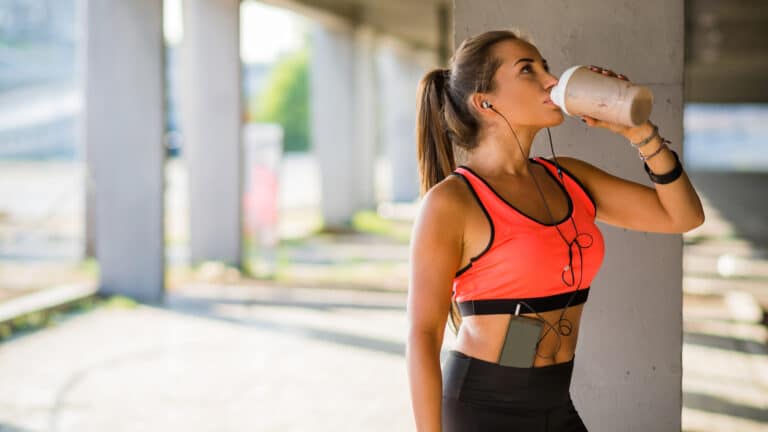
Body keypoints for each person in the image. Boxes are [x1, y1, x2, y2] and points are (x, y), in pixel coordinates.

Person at [405, 29, 705, 431]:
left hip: (555, 400)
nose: (551, 79)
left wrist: (639, 133)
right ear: (484, 101)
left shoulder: (569, 177)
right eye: (528, 70)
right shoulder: (451, 202)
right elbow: (422, 336)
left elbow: (682, 217)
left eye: (545, 66)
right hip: (483, 407)